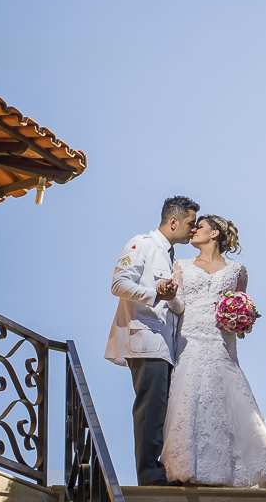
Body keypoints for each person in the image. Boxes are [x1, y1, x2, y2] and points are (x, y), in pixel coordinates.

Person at [161, 214, 266, 487]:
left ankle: (231, 470)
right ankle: (188, 466)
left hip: (221, 343)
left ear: (215, 233)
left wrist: (243, 319)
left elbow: (240, 303)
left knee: (226, 399)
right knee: (191, 397)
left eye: (200, 227)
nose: (193, 230)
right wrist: (170, 297)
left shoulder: (237, 270)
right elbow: (179, 305)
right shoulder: (180, 265)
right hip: (191, 339)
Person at [105, 195, 199, 486]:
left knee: (162, 411)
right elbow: (118, 284)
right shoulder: (141, 244)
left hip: (165, 346)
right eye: (190, 224)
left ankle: (162, 470)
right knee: (150, 409)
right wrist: (156, 293)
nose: (193, 230)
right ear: (173, 221)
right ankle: (149, 475)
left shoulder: (172, 256)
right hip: (145, 340)